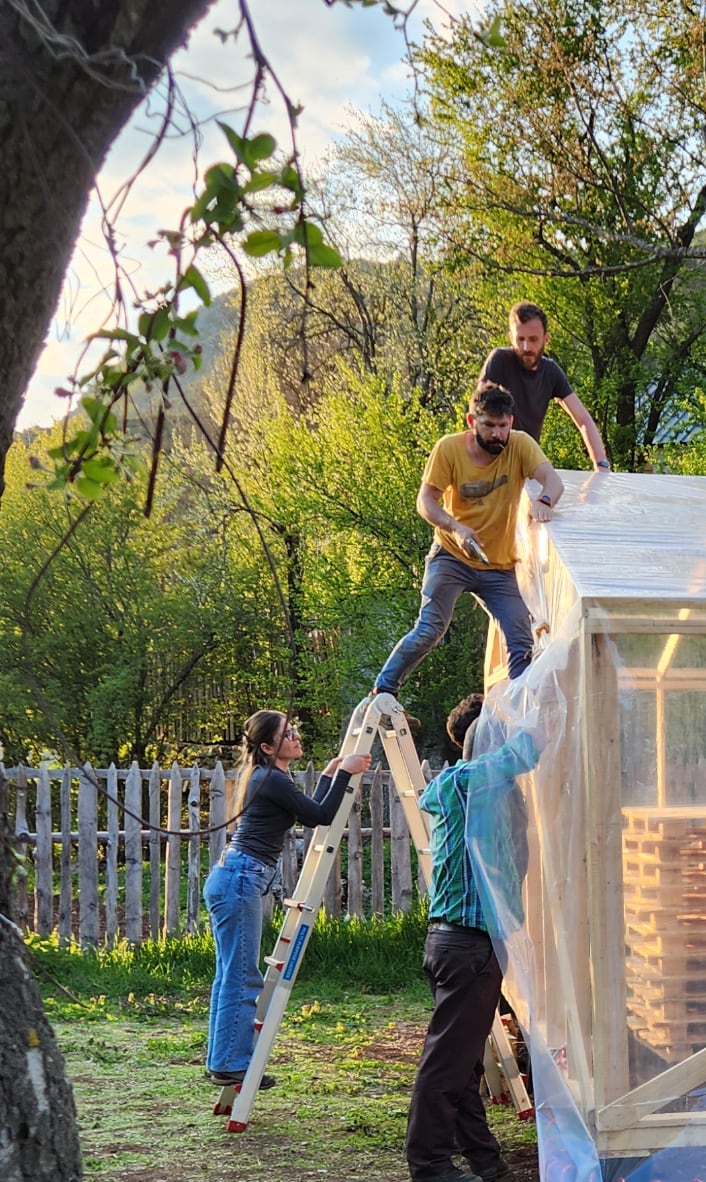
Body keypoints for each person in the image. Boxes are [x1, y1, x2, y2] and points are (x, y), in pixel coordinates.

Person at [407, 691, 542, 1182]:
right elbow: (529, 748)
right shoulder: (467, 782)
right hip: (466, 944)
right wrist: (543, 691)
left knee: (461, 1059)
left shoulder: (474, 789)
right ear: (485, 739)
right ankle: (429, 1163)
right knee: (447, 1061)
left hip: (460, 943)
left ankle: (482, 1155)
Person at [204, 712, 371, 1087]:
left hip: (235, 877)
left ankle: (222, 1059)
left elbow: (311, 812)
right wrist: (345, 773)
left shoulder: (269, 776)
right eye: (286, 734)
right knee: (242, 976)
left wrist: (331, 774)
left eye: (294, 730)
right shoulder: (270, 779)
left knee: (230, 974)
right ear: (267, 747)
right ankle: (230, 1063)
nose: (295, 736)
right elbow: (323, 815)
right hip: (240, 880)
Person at [373, 383, 566, 693]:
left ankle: (521, 711)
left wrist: (544, 502)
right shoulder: (449, 449)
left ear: (511, 424)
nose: (496, 434)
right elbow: (425, 502)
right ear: (471, 422)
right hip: (452, 556)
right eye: (489, 425)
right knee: (429, 629)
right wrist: (456, 528)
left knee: (522, 640)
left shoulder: (520, 445)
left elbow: (553, 482)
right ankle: (384, 689)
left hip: (500, 566)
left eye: (502, 426)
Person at [478, 301, 611, 468]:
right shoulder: (499, 360)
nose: (526, 347)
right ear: (511, 338)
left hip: (525, 464)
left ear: (546, 339)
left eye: (533, 339)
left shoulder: (551, 372)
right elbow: (477, 409)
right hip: (490, 463)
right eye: (520, 339)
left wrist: (601, 464)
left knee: (552, 487)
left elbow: (583, 419)